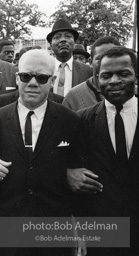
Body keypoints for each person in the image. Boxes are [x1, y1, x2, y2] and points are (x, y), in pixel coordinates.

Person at [0, 50, 83, 256]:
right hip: (7, 225)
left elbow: (76, 176)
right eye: (26, 76)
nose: (33, 83)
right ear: (17, 78)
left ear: (52, 81)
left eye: (42, 77)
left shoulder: (69, 121)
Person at [68, 46, 138, 256]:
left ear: (136, 75)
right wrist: (67, 173)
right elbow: (65, 163)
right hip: (101, 232)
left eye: (124, 73)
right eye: (107, 75)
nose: (115, 81)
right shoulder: (80, 121)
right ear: (97, 80)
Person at [63, 36, 121, 111]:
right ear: (90, 62)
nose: (107, 62)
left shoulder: (132, 92)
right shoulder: (73, 98)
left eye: (113, 57)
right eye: (100, 58)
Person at [47, 18, 92, 96]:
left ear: (74, 42)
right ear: (51, 44)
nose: (63, 40)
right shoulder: (43, 70)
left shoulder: (88, 72)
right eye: (57, 37)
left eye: (68, 36)